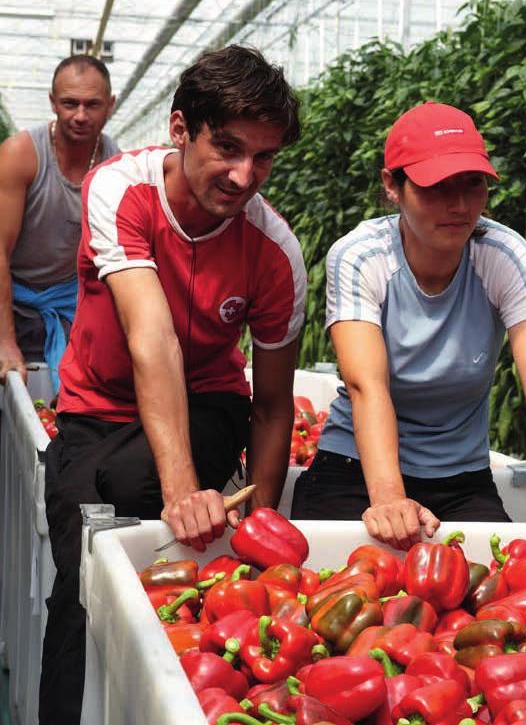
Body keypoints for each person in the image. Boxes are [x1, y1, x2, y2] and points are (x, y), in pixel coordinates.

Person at [39, 45, 306, 725]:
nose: (244, 175)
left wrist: (263, 531)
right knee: (80, 575)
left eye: (264, 158)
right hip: (97, 405)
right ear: (181, 128)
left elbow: (273, 404)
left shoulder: (275, 253)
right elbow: (150, 336)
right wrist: (186, 491)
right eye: (228, 147)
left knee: (137, 506)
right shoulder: (119, 188)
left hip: (208, 403)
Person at [291, 101, 526, 554]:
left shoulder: (502, 254)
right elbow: (366, 385)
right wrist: (390, 499)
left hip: (460, 479)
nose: (459, 206)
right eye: (436, 187)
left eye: (473, 185)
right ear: (391, 186)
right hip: (355, 470)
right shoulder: (361, 255)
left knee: (500, 595)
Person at [0, 55, 119, 391]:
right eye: (69, 103)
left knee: (70, 394)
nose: (80, 116)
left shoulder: (114, 165)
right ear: (53, 102)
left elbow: (112, 257)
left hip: (69, 300)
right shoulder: (21, 154)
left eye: (92, 105)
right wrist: (6, 341)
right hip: (13, 293)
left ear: (110, 105)